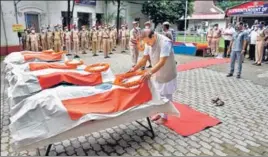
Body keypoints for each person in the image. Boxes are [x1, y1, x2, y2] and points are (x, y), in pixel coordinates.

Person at [129, 28, 177, 124]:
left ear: (153, 36)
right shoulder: (148, 42)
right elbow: (144, 58)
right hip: (157, 72)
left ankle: (165, 117)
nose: (147, 44)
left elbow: (162, 62)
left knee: (166, 95)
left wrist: (150, 72)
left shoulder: (165, 42)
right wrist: (135, 68)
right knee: (158, 93)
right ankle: (159, 113)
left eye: (148, 41)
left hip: (167, 72)